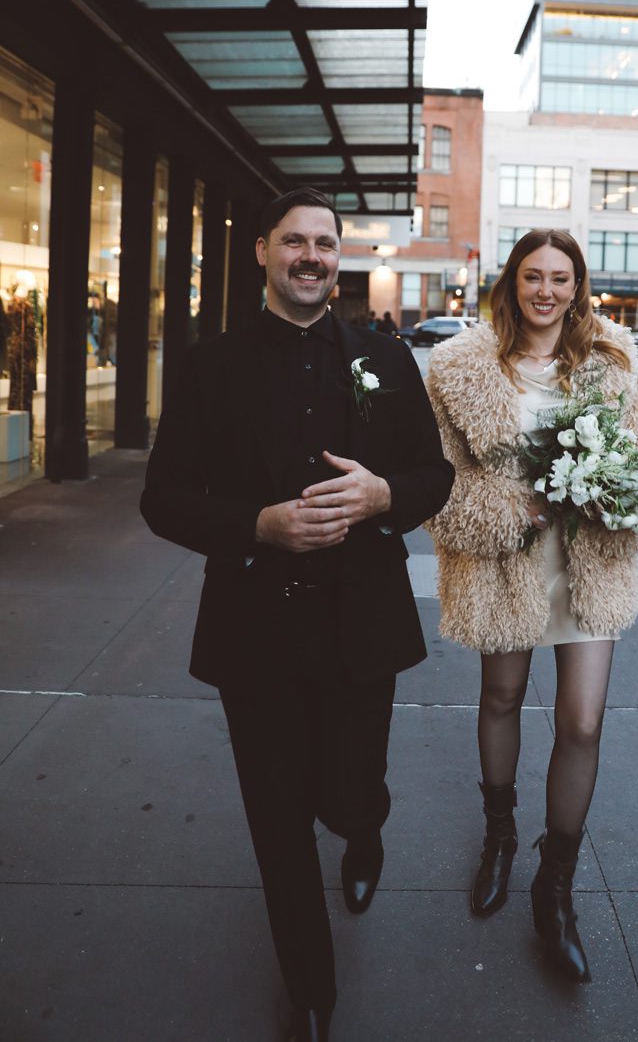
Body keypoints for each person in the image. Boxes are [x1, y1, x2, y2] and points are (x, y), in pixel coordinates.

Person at [140, 187, 453, 1042]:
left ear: (338, 258)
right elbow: (162, 498)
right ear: (263, 252)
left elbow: (434, 475)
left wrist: (384, 495)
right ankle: (311, 993)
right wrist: (256, 524)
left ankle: (363, 829)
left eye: (325, 242)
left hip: (363, 622)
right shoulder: (209, 366)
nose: (311, 256)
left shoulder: (384, 359)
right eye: (294, 241)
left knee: (348, 794)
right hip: (255, 627)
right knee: (277, 820)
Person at [425, 229, 638, 984]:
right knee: (501, 697)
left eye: (560, 278)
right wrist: (516, 510)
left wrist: (614, 492)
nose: (546, 291)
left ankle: (555, 887)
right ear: (512, 282)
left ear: (577, 286)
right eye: (533, 276)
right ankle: (500, 837)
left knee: (583, 721)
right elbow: (437, 478)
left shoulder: (613, 359)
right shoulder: (462, 366)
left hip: (589, 562)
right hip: (508, 559)